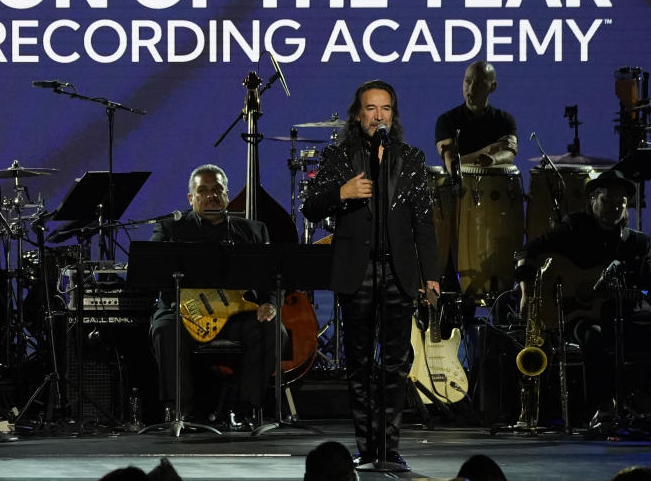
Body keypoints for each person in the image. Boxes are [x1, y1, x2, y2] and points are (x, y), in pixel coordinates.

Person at [302, 80, 440, 469]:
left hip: (398, 271)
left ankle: (389, 447)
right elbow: (311, 208)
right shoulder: (338, 157)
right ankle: (365, 447)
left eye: (385, 109)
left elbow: (423, 222)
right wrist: (340, 193)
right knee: (360, 364)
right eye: (370, 108)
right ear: (357, 114)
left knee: (395, 363)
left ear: (392, 116)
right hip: (356, 271)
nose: (378, 116)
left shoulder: (410, 158)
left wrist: (431, 275)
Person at [514, 169, 651, 427]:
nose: (614, 208)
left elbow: (649, 287)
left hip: (624, 318)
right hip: (576, 316)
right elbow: (526, 251)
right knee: (594, 336)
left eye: (620, 204)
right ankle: (603, 407)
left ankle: (644, 397)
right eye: (608, 201)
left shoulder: (638, 244)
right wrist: (527, 294)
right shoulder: (574, 227)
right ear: (593, 200)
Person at [149, 164, 280, 429]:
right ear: (191, 198)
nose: (211, 196)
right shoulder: (169, 229)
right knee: (165, 328)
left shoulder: (254, 231)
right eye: (203, 191)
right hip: (185, 313)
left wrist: (269, 304)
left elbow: (271, 280)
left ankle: (245, 410)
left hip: (236, 315)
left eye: (217, 190)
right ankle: (181, 412)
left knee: (273, 330)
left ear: (227, 195)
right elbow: (154, 274)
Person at [434, 60, 517, 172]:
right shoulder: (446, 120)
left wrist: (494, 159)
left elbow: (509, 152)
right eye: (468, 81)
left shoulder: (505, 120)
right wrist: (488, 150)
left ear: (492, 87)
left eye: (479, 83)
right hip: (457, 188)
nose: (471, 88)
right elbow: (452, 166)